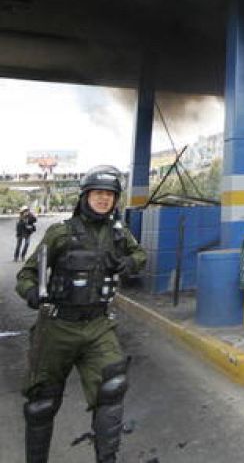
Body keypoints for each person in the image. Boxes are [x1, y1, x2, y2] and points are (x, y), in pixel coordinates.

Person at [15, 165, 147, 463]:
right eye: (98, 194)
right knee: (42, 403)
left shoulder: (119, 234)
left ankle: (107, 459)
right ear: (85, 196)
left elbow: (140, 255)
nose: (103, 200)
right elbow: (27, 275)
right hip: (57, 326)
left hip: (98, 325)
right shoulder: (60, 233)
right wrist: (32, 293)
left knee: (112, 387)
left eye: (109, 196)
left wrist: (129, 263)